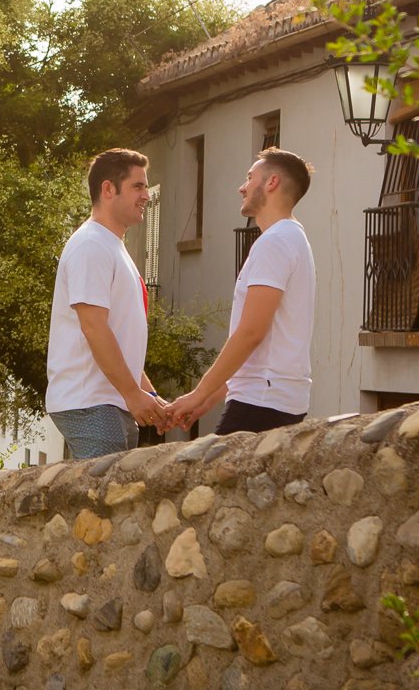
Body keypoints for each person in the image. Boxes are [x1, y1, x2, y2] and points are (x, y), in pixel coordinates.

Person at [168, 147, 317, 436]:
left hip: (261, 402)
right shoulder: (292, 238)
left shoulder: (274, 242)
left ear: (272, 183)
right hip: (273, 399)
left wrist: (198, 394)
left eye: (250, 178)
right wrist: (210, 399)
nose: (242, 187)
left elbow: (251, 333)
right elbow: (260, 346)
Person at [46, 148, 167, 459]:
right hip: (90, 403)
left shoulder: (111, 246)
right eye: (137, 187)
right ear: (108, 189)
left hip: (109, 402)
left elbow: (120, 337)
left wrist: (148, 395)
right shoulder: (91, 245)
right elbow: (94, 327)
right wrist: (132, 394)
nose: (146, 196)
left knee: (114, 501)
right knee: (103, 502)